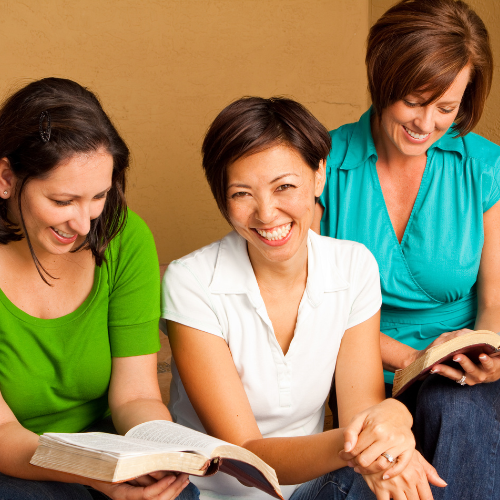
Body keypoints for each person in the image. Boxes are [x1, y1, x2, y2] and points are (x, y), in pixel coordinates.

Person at [162, 96, 446, 500]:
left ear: (319, 176)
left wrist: (387, 427)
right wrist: (372, 439)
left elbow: (361, 414)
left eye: (284, 187)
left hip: (316, 487)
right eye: (242, 194)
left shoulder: (352, 267)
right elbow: (247, 454)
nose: (266, 214)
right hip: (209, 494)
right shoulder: (191, 282)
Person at [313, 1, 500, 498]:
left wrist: (491, 353)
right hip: (360, 369)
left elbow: (495, 300)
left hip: (462, 372)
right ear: (383, 80)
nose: (426, 123)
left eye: (446, 108)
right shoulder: (325, 163)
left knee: (455, 403)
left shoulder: (484, 166)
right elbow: (313, 304)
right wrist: (418, 360)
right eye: (414, 101)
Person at [0, 78, 195, 500]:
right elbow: (2, 432)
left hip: (109, 450)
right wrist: (91, 473)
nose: (84, 223)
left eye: (98, 196)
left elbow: (135, 395)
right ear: (5, 178)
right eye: (62, 201)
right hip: (17, 459)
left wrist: (159, 452)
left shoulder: (125, 237)